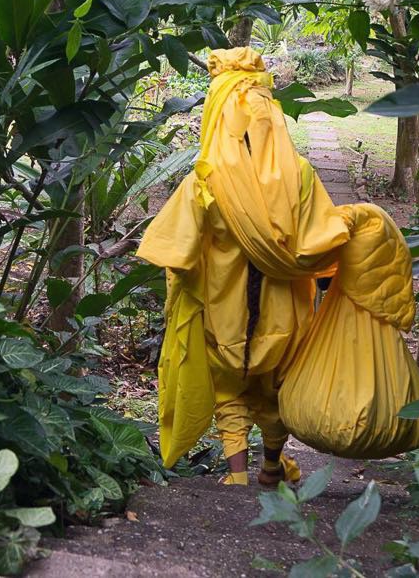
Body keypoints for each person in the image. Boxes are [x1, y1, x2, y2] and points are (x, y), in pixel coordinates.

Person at [137, 47, 347, 485]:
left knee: (229, 387)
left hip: (223, 308)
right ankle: (271, 466)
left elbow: (174, 248)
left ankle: (235, 476)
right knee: (274, 387)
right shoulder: (302, 175)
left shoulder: (205, 178)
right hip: (284, 308)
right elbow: (321, 249)